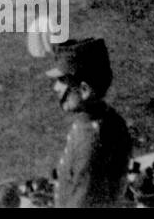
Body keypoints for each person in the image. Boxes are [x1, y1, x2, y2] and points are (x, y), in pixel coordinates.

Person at [47, 38, 132, 208]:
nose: (56, 87)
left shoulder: (90, 142)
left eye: (62, 81)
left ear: (85, 90)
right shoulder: (102, 119)